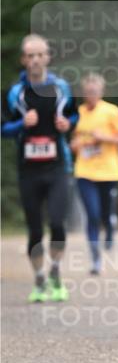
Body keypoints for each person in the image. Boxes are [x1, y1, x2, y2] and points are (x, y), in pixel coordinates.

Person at [2, 34, 77, 302]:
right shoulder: (14, 93)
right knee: (35, 229)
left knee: (57, 223)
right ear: (24, 60)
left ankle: (55, 272)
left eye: (39, 55)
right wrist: (22, 124)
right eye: (29, 56)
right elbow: (3, 129)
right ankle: (39, 281)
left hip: (58, 167)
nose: (35, 60)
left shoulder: (62, 88)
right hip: (28, 170)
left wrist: (68, 125)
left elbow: (74, 115)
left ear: (47, 57)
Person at [70, 73, 118, 275]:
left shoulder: (111, 112)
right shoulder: (78, 114)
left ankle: (111, 226)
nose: (91, 95)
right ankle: (95, 259)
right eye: (87, 92)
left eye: (94, 91)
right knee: (92, 215)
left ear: (101, 92)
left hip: (109, 173)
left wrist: (103, 137)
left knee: (105, 215)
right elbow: (73, 144)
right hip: (85, 172)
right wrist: (79, 144)